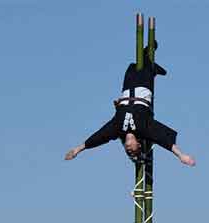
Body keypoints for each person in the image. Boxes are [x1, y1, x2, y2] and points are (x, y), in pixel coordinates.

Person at [65, 47, 195, 166]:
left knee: (133, 67)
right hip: (143, 88)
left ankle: (152, 65)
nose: (129, 151)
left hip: (127, 88)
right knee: (144, 65)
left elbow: (99, 137)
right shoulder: (144, 129)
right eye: (133, 151)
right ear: (138, 144)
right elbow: (163, 140)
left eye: (128, 153)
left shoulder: (117, 129)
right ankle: (151, 60)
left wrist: (77, 149)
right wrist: (181, 155)